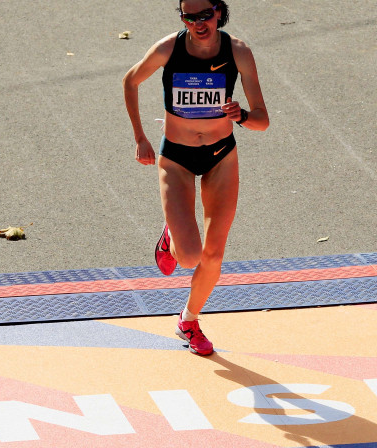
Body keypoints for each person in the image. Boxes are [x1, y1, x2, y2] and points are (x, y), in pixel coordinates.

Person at [122, 0, 269, 356]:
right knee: (188, 257)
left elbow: (262, 120)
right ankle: (173, 231)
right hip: (177, 158)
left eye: (205, 15)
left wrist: (242, 115)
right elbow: (130, 80)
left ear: (219, 12)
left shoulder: (239, 52)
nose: (199, 23)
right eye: (190, 16)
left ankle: (189, 320)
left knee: (214, 254)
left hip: (221, 156)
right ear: (182, 17)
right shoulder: (167, 48)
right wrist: (140, 137)